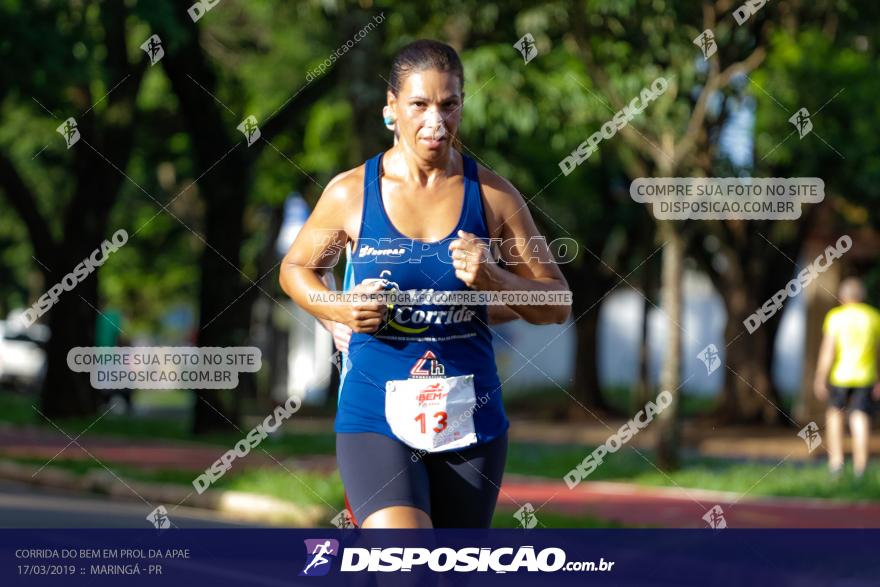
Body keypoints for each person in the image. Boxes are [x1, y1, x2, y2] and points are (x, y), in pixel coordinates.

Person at [280, 39, 570, 529]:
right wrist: (338, 309)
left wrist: (495, 278)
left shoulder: (494, 196)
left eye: (449, 104)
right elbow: (295, 270)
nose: (435, 121)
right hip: (376, 415)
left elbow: (556, 302)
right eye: (419, 104)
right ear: (391, 108)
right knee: (407, 566)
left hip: (469, 421)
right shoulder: (352, 192)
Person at [814, 277, 880, 479]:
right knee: (860, 418)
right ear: (862, 296)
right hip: (865, 377)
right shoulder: (874, 317)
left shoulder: (836, 317)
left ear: (843, 297)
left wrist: (819, 377)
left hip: (840, 376)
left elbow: (828, 351)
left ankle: (836, 465)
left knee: (835, 416)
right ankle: (861, 467)